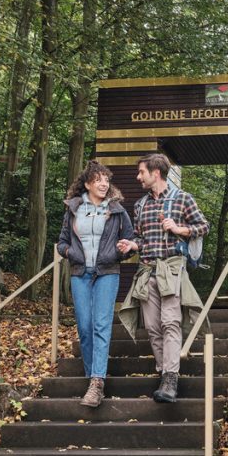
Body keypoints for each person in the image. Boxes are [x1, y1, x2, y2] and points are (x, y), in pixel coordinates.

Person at [117, 153, 209, 403]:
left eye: (141, 172)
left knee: (170, 322)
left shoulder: (182, 199)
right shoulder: (140, 205)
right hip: (147, 272)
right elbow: (139, 237)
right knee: (153, 327)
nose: (138, 177)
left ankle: (170, 378)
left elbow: (203, 226)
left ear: (155, 173)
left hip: (172, 270)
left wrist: (180, 229)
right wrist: (131, 245)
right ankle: (164, 370)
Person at [56, 160, 133, 408]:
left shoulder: (117, 210)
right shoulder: (73, 208)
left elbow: (129, 241)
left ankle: (97, 382)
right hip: (80, 272)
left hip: (107, 272)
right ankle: (93, 376)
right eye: (98, 179)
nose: (103, 183)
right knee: (85, 326)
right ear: (88, 184)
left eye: (106, 179)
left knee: (101, 325)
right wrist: (70, 253)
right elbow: (62, 242)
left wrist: (121, 251)